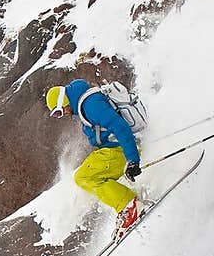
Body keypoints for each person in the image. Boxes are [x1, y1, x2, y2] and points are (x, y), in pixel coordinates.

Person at [46, 81, 145, 239]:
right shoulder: (84, 104)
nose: (61, 115)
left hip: (121, 150)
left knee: (84, 177)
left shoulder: (90, 105)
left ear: (63, 102)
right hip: (116, 149)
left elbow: (120, 127)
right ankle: (127, 205)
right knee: (84, 176)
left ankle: (130, 205)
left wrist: (133, 159)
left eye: (58, 112)